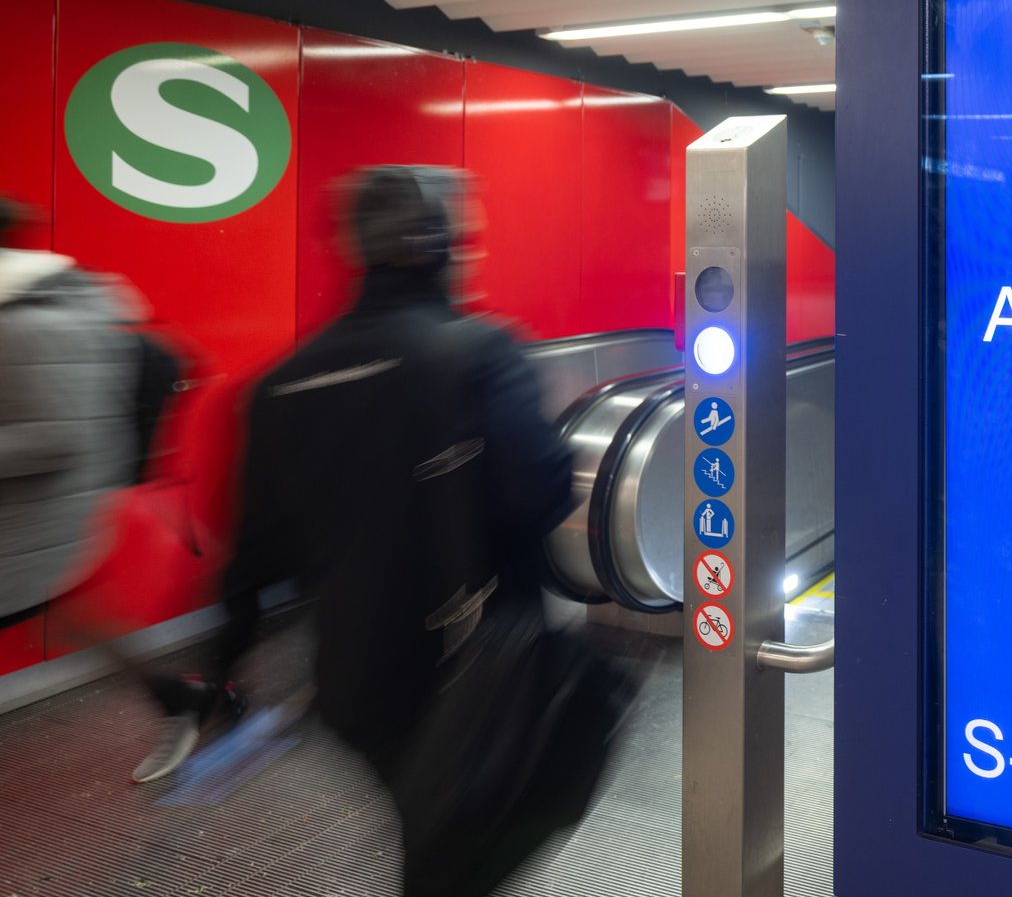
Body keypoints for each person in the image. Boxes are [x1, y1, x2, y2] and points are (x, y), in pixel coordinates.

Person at [145, 166, 628, 893]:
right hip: (477, 661)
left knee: (431, 822)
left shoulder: (277, 384)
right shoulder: (480, 352)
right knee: (458, 841)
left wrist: (224, 666)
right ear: (438, 244)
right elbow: (537, 492)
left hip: (355, 677)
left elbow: (254, 557)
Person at [0, 196, 138, 646]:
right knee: (80, 621)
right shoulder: (29, 311)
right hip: (36, 519)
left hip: (30, 518)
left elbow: (53, 438)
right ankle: (177, 696)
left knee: (76, 617)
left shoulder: (32, 322)